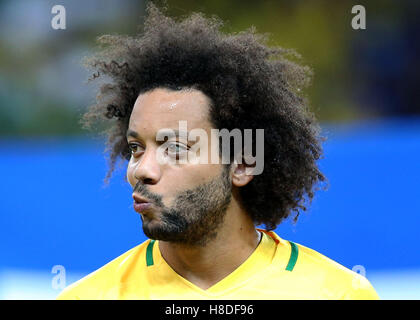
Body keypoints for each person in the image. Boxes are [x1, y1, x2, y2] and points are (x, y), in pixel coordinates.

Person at [57, 4, 378, 300]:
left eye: (175, 148)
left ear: (242, 163)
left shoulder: (338, 294)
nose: (141, 170)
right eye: (136, 148)